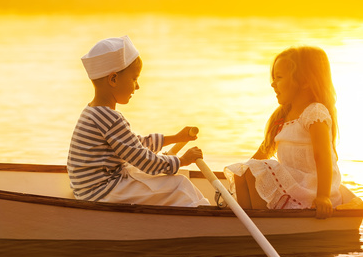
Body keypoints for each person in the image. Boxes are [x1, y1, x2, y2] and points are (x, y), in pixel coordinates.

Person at [67, 35, 210, 207]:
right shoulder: (110, 119)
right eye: (134, 78)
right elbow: (144, 160)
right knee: (180, 185)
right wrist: (182, 160)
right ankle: (206, 217)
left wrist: (175, 138)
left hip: (91, 190)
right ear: (113, 79)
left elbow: (134, 145)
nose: (137, 86)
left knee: (165, 175)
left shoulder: (92, 112)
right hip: (103, 191)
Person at [224, 46, 341, 219]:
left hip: (313, 187)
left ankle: (263, 224)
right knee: (243, 171)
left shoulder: (315, 112)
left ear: (305, 82)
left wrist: (322, 196)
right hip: (293, 183)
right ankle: (248, 222)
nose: (272, 84)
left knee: (253, 170)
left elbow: (322, 156)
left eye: (279, 77)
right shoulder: (282, 117)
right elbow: (259, 157)